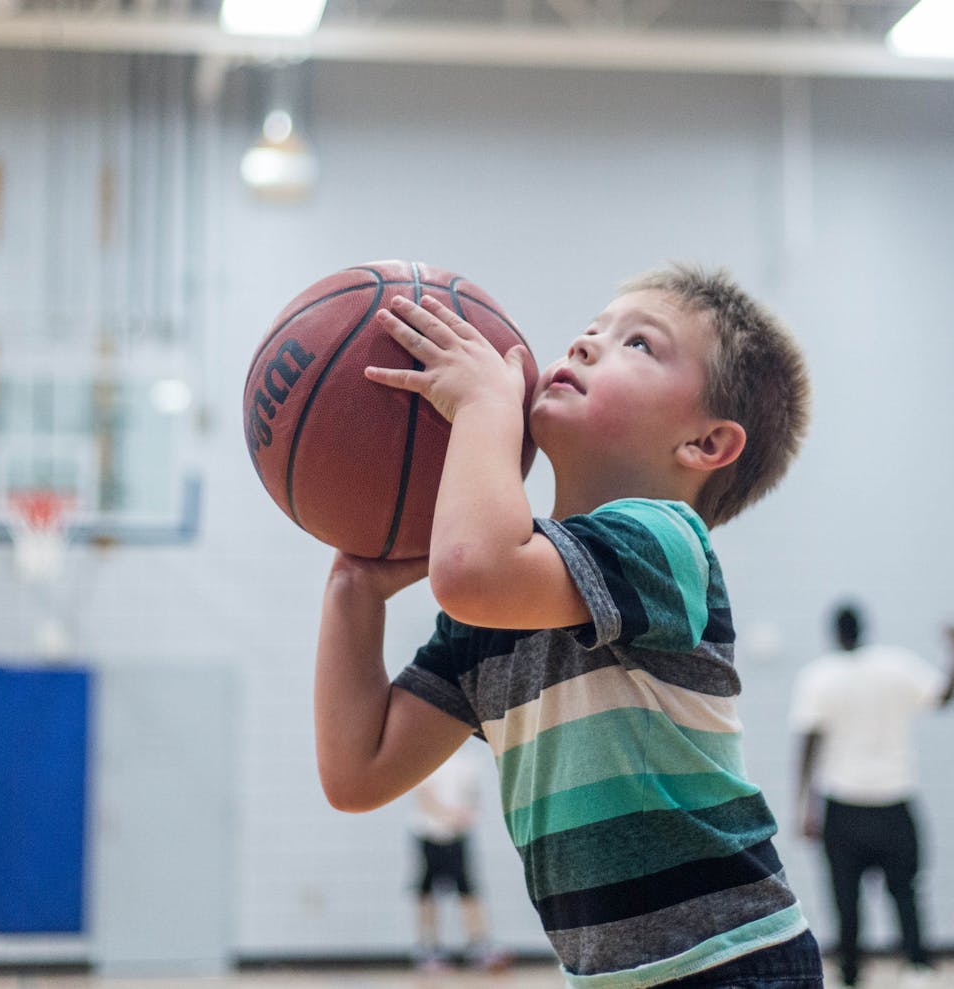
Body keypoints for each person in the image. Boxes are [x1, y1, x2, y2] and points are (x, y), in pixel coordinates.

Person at [313, 263, 820, 988]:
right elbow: (357, 769)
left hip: (733, 958)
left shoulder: (668, 544)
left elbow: (473, 571)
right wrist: (352, 585)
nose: (584, 343)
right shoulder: (493, 616)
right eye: (591, 328)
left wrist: (486, 408)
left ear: (705, 445)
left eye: (638, 344)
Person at [789, 604, 954, 989]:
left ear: (834, 634)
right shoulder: (896, 666)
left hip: (843, 807)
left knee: (846, 902)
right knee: (906, 893)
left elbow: (809, 743)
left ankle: (850, 975)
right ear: (865, 629)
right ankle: (918, 969)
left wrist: (805, 806)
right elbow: (947, 695)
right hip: (895, 802)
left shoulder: (818, 677)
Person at [408, 744, 506, 971]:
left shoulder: (467, 762)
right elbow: (423, 796)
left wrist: (466, 816)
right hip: (428, 833)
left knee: (468, 889)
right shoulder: (425, 758)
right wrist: (446, 814)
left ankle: (479, 945)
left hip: (458, 835)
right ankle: (427, 947)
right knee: (427, 891)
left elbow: (473, 796)